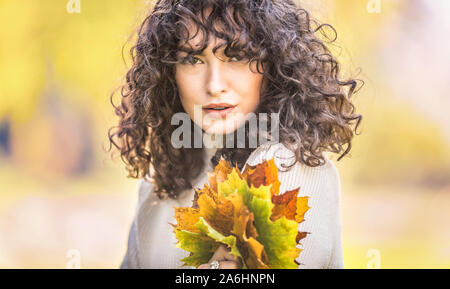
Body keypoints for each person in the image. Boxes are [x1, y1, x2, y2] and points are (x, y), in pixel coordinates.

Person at [109, 0, 362, 269]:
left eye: (236, 56)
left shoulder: (290, 167)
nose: (214, 85)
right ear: (168, 73)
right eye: (192, 59)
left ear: (275, 64)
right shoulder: (155, 185)